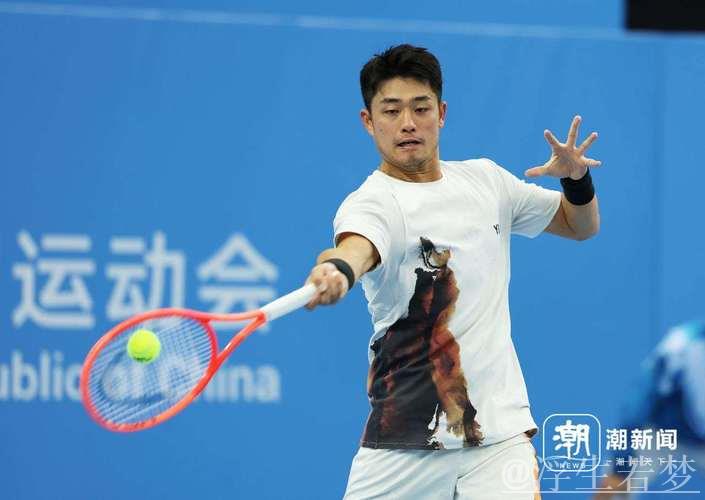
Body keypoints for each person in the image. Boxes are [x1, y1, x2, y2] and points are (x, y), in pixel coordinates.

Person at [304, 44, 601, 499]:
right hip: (403, 443)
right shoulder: (371, 203)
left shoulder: (486, 181)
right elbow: (357, 248)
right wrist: (338, 270)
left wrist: (576, 180)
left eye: (420, 108)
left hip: (498, 439)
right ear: (369, 121)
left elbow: (579, 225)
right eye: (391, 111)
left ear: (441, 113)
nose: (407, 123)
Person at [595, 321, 705, 498]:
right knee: (614, 490)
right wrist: (621, 466)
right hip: (660, 433)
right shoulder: (682, 343)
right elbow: (635, 408)